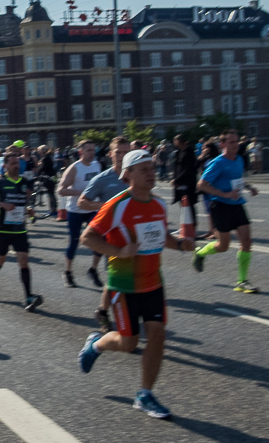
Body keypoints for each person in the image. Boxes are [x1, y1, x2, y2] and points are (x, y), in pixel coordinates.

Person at [77, 150, 195, 419]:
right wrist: (118, 252)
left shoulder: (159, 204)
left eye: (152, 168)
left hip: (153, 282)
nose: (151, 174)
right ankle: (96, 345)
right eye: (143, 170)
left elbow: (160, 235)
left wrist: (179, 244)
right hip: (123, 285)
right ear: (127, 174)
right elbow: (88, 238)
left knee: (157, 334)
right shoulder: (118, 205)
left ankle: (145, 394)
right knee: (129, 343)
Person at [193, 129, 260, 293]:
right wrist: (225, 194)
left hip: (237, 204)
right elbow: (201, 185)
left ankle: (242, 281)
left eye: (237, 142)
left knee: (247, 241)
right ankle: (200, 252)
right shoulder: (217, 162)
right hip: (220, 206)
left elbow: (236, 180)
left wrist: (248, 187)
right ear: (222, 144)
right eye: (231, 142)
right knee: (223, 246)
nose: (235, 145)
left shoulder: (239, 160)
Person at [78, 137, 131, 332]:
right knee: (119, 278)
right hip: (113, 237)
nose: (122, 156)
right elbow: (82, 202)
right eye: (118, 152)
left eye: (126, 152)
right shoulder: (102, 179)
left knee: (120, 278)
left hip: (135, 235)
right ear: (110, 154)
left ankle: (102, 310)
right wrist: (105, 207)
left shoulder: (135, 176)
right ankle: (123, 324)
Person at [0, 154, 39, 308]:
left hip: (20, 230)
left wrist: (29, 210)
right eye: (13, 163)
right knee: (1, 258)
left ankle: (28, 297)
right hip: (2, 230)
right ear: (6, 166)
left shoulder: (25, 182)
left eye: (18, 163)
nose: (17, 166)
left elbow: (26, 201)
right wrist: (2, 204)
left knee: (24, 261)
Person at [57, 140, 103, 290]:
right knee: (74, 243)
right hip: (76, 211)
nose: (92, 153)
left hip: (92, 209)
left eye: (93, 150)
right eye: (88, 150)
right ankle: (68, 272)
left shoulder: (97, 165)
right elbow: (61, 190)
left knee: (99, 240)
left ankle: (93, 270)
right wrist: (81, 193)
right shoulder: (74, 168)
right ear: (81, 152)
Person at [170, 134, 199, 237]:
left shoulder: (189, 153)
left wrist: (177, 179)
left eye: (175, 141)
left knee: (189, 205)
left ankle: (192, 228)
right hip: (179, 184)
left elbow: (188, 169)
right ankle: (184, 226)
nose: (174, 143)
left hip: (187, 184)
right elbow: (176, 167)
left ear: (180, 141)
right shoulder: (178, 152)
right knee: (182, 206)